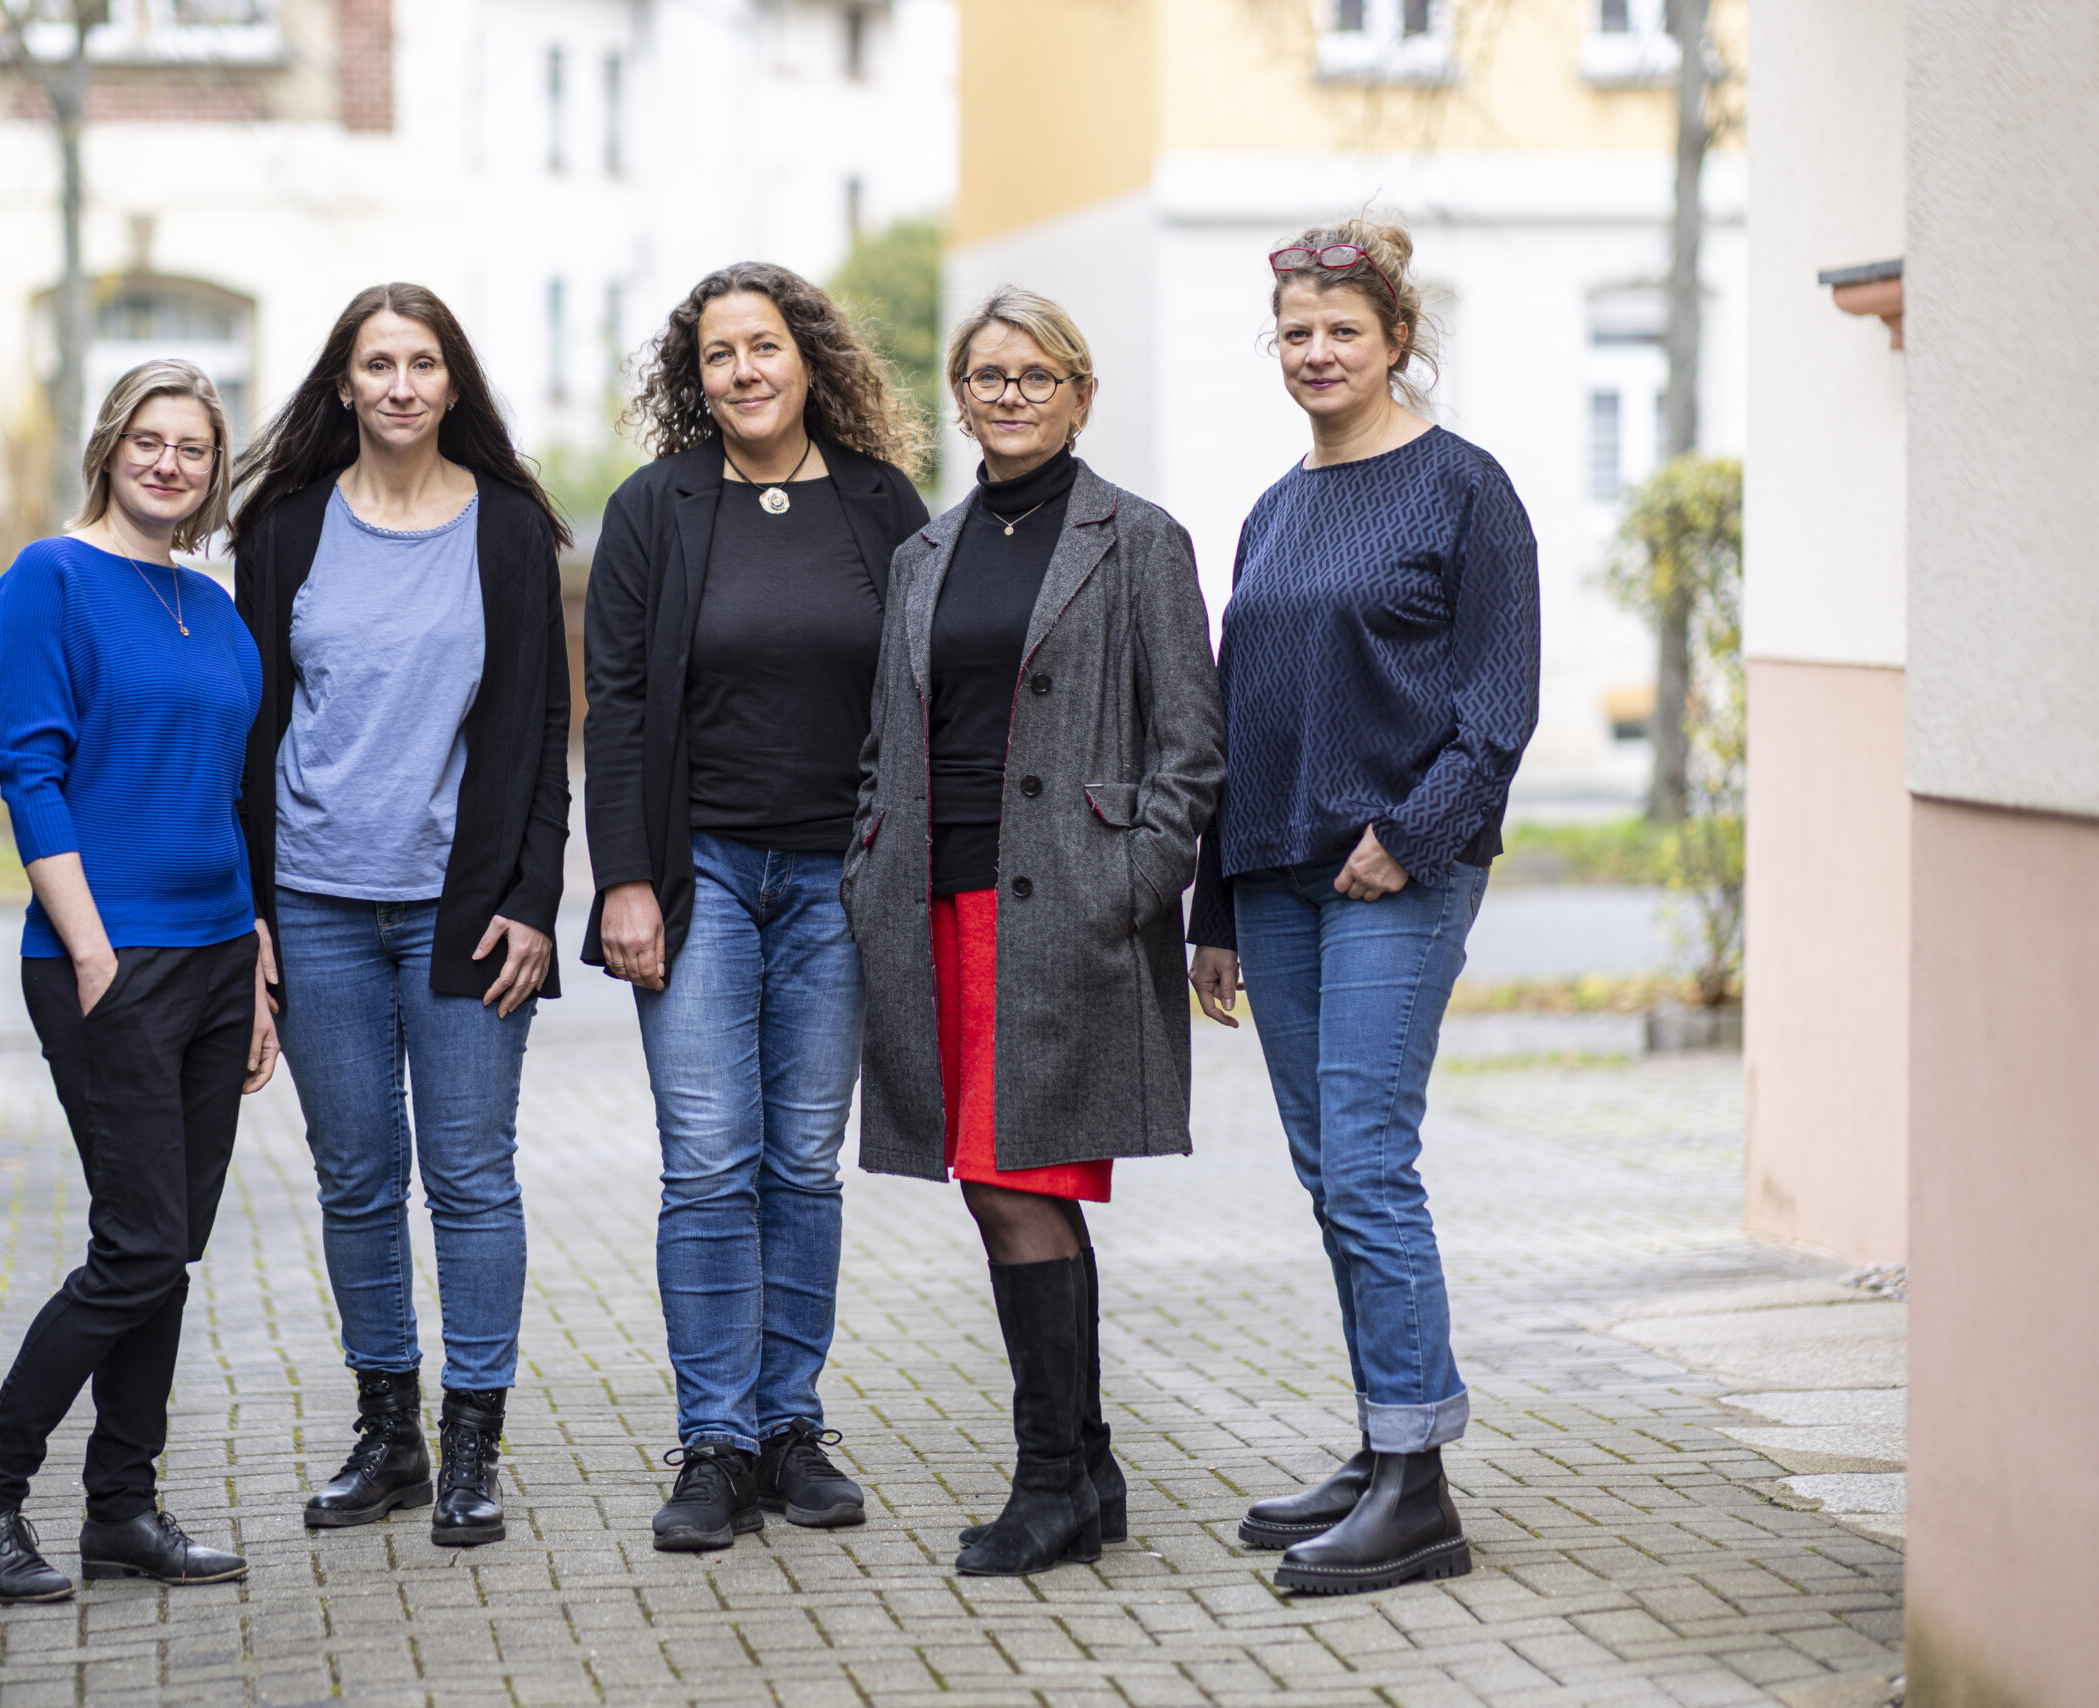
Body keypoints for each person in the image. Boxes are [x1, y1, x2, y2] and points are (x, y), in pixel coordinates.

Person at [843, 288, 1224, 1576]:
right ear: (960, 394)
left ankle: (1052, 1481)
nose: (1009, 395)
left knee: (1020, 1182)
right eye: (988, 376)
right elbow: (887, 742)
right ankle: (1091, 1461)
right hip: (929, 907)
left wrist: (1131, 881)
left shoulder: (1138, 541)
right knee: (996, 1178)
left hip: (1060, 910)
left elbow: (1191, 749)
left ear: (1079, 392)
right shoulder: (922, 555)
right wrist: (865, 867)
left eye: (1035, 376)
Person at [1188, 218, 1540, 1595]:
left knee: (1371, 1163)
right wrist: (1210, 904)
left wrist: (1416, 836)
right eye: (1294, 335)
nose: (1315, 353)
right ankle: (1385, 1444)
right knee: (1330, 1171)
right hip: (1274, 874)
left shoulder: (1464, 490)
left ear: (1398, 338)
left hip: (1398, 868)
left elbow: (1500, 700)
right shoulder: (1274, 509)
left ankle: (1418, 1486)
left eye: (1340, 330)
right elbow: (1239, 720)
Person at [583, 262, 930, 1551]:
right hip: (702, 876)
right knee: (709, 1162)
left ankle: (790, 1427)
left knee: (800, 1162)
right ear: (696, 375)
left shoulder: (882, 506)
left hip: (839, 876)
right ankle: (716, 1440)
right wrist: (625, 876)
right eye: (720, 353)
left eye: (764, 346)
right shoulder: (653, 511)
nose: (744, 370)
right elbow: (613, 705)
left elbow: (926, 690)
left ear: (809, 359)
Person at [230, 284, 573, 1549]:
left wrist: (533, 900)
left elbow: (544, 732)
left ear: (451, 383)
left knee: (472, 1178)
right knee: (357, 1176)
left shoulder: (509, 531)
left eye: (423, 363)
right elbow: (247, 732)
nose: (401, 386)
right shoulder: (281, 529)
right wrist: (252, 912)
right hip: (314, 904)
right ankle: (388, 1431)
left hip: (466, 911)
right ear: (343, 386)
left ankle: (473, 1445)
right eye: (377, 364)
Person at [0, 359, 277, 1605]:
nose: (170, 464)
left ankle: (121, 1511)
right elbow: (28, 770)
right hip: (107, 961)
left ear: (212, 470)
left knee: (167, 1249)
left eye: (193, 447)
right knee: (136, 1248)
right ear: (110, 447)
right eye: (150, 439)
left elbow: (229, 802)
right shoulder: (49, 582)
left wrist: (258, 965)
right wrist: (91, 949)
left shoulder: (213, 605)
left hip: (215, 957)